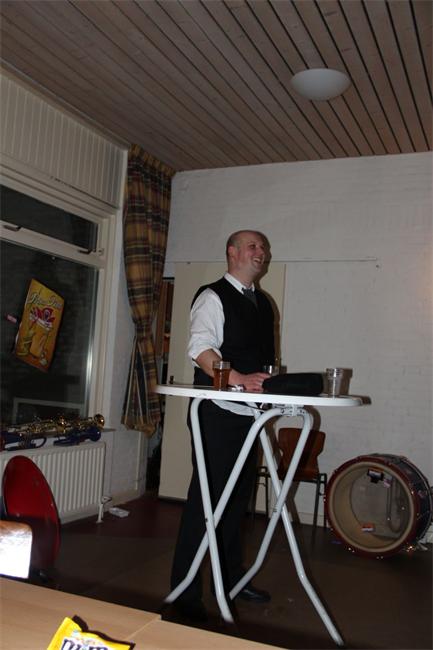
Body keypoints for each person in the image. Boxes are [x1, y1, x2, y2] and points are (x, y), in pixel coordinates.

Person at [170, 230, 276, 622]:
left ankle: (231, 579)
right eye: (253, 246)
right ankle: (184, 595)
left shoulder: (263, 303)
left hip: (249, 417)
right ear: (232, 253)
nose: (261, 252)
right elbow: (200, 349)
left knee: (236, 503)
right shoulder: (212, 296)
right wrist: (240, 379)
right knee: (206, 503)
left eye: (263, 247)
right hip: (216, 414)